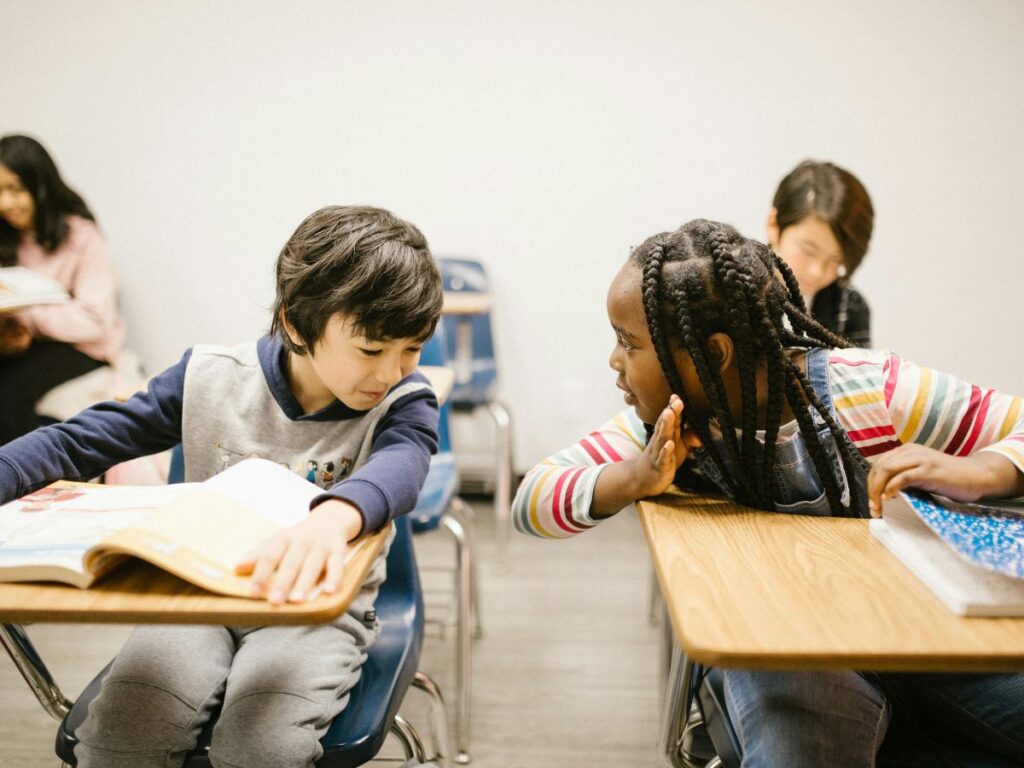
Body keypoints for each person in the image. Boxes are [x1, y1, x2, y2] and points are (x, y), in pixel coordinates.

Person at [513, 218, 1024, 765]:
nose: (614, 360)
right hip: (792, 658)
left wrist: (986, 470)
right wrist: (633, 478)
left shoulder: (867, 389)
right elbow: (531, 502)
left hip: (926, 642)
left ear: (712, 354)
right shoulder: (660, 433)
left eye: (627, 342)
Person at [0, 205, 444, 768]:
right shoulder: (209, 377)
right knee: (119, 739)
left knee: (260, 749)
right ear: (296, 324)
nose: (391, 372)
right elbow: (78, 442)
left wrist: (332, 519)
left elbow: (401, 467)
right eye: (371, 350)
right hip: (196, 601)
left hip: (314, 614)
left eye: (412, 349)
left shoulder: (406, 401)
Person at [0, 134, 126, 444]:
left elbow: (95, 322)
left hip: (80, 348)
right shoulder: (6, 236)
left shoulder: (81, 236)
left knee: (9, 394)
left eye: (15, 189)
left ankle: (19, 482)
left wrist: (29, 317)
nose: (4, 204)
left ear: (40, 185)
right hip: (22, 344)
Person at [766, 159, 874, 346]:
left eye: (836, 260)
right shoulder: (734, 285)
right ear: (774, 225)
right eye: (809, 250)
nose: (817, 271)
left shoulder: (849, 307)